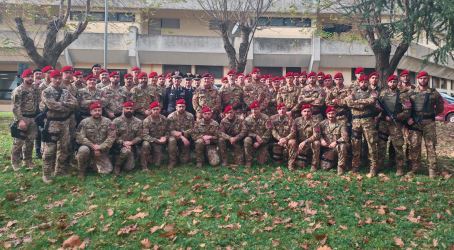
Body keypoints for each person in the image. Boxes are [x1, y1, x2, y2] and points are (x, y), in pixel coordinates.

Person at [40, 70, 78, 183]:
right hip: (52, 124)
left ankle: (60, 170)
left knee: (64, 148)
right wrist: (66, 106)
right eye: (55, 78)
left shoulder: (65, 91)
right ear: (50, 79)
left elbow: (75, 104)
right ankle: (46, 174)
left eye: (59, 78)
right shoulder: (46, 92)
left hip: (65, 124)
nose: (57, 80)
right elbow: (52, 106)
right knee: (50, 150)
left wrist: (63, 104)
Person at [407, 71, 444, 178]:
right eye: (421, 78)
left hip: (429, 124)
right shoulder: (411, 92)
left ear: (428, 79)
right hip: (415, 124)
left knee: (431, 147)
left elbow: (440, 108)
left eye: (425, 78)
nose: (423, 80)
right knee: (414, 146)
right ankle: (415, 168)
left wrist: (430, 115)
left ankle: (432, 170)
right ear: (418, 79)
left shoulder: (434, 93)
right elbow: (406, 107)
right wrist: (409, 118)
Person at [376, 75, 411, 176]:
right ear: (388, 83)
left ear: (397, 82)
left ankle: (399, 167)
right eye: (390, 82)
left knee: (398, 145)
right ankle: (380, 165)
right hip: (383, 123)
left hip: (396, 124)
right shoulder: (382, 94)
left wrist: (396, 117)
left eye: (394, 82)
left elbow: (407, 111)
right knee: (381, 145)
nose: (392, 83)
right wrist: (382, 114)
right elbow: (377, 106)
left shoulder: (403, 95)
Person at [346, 74, 379, 177]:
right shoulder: (354, 92)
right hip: (356, 122)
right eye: (361, 82)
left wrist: (357, 102)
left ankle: (373, 168)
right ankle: (355, 167)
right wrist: (363, 103)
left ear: (367, 83)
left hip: (368, 122)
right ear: (359, 83)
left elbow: (371, 100)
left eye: (365, 82)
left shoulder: (372, 92)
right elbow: (349, 102)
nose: (363, 83)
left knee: (371, 144)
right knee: (355, 144)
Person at [76, 101, 116, 179]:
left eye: (99, 110)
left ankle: (92, 164)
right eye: (95, 110)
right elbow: (80, 137)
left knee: (108, 170)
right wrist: (93, 146)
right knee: (83, 150)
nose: (97, 112)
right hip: (88, 148)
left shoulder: (108, 122)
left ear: (101, 111)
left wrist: (100, 147)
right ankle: (81, 171)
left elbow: (111, 137)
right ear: (91, 112)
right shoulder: (84, 122)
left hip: (102, 150)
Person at [11, 69, 40, 171]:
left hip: (32, 118)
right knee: (18, 142)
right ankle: (15, 162)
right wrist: (20, 120)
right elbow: (15, 107)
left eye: (32, 76)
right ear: (23, 77)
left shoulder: (34, 89)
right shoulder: (19, 90)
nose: (31, 78)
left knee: (30, 141)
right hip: (22, 118)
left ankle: (28, 161)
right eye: (28, 76)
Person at [112, 101, 143, 175]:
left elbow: (140, 136)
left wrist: (132, 142)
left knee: (129, 168)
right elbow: (113, 136)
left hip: (132, 146)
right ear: (123, 109)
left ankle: (124, 161)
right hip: (118, 146)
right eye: (127, 108)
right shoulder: (116, 121)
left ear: (133, 110)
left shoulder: (138, 121)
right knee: (125, 151)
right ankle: (117, 165)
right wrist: (123, 142)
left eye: (131, 109)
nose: (129, 110)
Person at [287, 104, 321, 171]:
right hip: (299, 143)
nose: (306, 113)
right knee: (291, 141)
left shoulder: (315, 121)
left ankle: (314, 165)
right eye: (304, 111)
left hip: (309, 143)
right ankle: (291, 164)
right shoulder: (297, 120)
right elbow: (293, 133)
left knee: (317, 143)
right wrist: (286, 138)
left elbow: (316, 135)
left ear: (311, 112)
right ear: (301, 112)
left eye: (308, 111)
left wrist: (305, 142)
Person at [319, 106, 349, 175]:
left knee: (342, 146)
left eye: (332, 113)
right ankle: (333, 162)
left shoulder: (341, 124)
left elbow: (345, 137)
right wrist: (321, 140)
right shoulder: (322, 124)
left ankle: (341, 168)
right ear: (326, 114)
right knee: (325, 168)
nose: (331, 115)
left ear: (335, 114)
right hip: (327, 148)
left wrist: (336, 142)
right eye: (329, 114)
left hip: (337, 147)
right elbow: (318, 134)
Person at [167, 99, 194, 168]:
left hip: (186, 136)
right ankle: (172, 161)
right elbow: (170, 130)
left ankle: (182, 156)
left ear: (185, 107)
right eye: (180, 106)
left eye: (183, 106)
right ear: (176, 107)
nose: (181, 108)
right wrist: (182, 137)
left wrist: (183, 134)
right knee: (171, 141)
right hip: (174, 137)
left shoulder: (190, 116)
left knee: (184, 161)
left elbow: (192, 129)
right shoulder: (171, 116)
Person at [141, 101, 169, 169]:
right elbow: (145, 135)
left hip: (160, 141)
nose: (156, 111)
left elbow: (168, 131)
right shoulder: (146, 121)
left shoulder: (164, 119)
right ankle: (144, 166)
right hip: (150, 140)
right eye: (154, 109)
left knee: (157, 164)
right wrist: (156, 140)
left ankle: (151, 158)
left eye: (157, 109)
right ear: (151, 110)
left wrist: (165, 137)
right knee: (145, 144)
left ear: (160, 109)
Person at [243, 100, 271, 167]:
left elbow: (269, 131)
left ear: (259, 109)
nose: (254, 111)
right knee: (247, 140)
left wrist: (260, 142)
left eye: (256, 109)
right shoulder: (247, 119)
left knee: (262, 162)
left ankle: (261, 154)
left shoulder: (266, 118)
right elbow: (245, 132)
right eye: (252, 109)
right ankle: (248, 161)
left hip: (263, 141)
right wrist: (255, 136)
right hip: (252, 140)